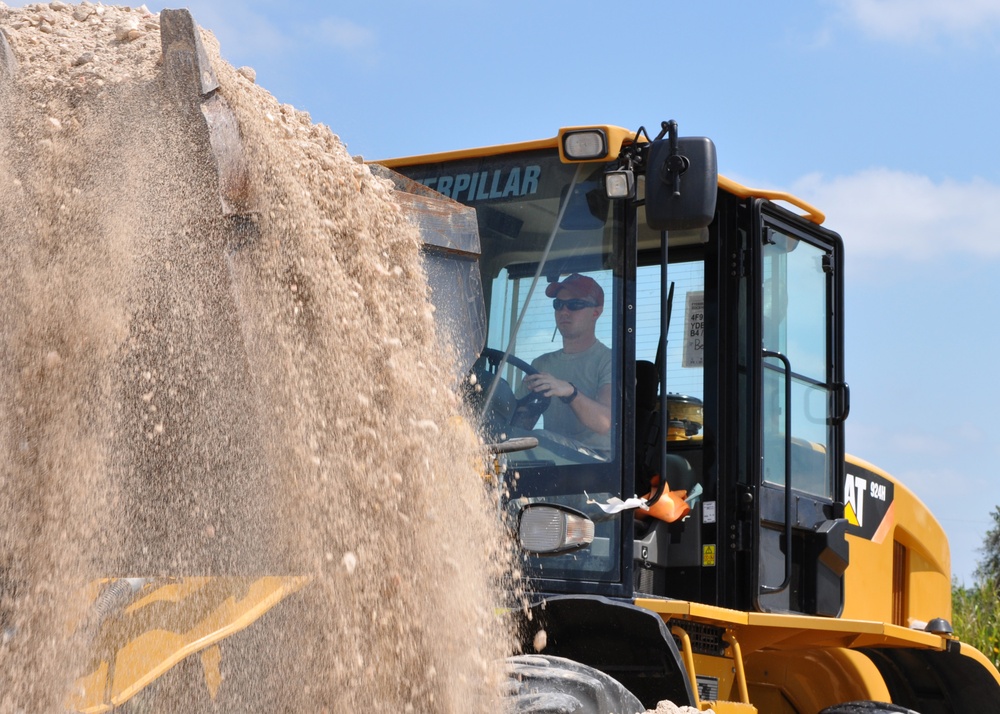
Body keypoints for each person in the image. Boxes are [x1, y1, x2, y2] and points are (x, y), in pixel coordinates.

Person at [517, 273, 613, 457]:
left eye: (574, 305)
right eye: (558, 305)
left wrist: (570, 391)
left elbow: (604, 422)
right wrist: (524, 408)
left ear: (596, 312)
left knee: (539, 440)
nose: (564, 311)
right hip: (552, 460)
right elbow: (517, 427)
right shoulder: (541, 364)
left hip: (597, 465)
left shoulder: (610, 361)